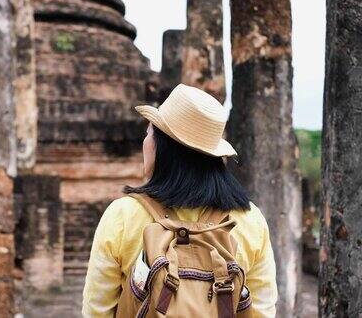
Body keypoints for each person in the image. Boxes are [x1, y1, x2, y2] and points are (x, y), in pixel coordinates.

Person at [82, 84, 277, 317]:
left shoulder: (123, 215)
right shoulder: (249, 219)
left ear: (162, 147)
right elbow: (262, 311)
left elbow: (97, 310)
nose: (145, 142)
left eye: (149, 133)